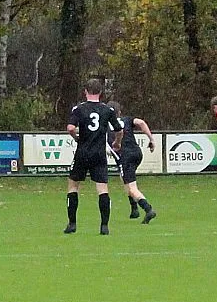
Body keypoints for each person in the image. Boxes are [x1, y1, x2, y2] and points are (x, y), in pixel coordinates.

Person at [63, 79, 123, 235]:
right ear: (101, 92)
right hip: (99, 154)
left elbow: (70, 128)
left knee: (73, 186)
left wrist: (76, 138)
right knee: (102, 188)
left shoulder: (79, 109)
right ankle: (104, 226)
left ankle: (72, 224)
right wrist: (117, 142)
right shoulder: (107, 110)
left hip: (82, 153)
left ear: (85, 91)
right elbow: (119, 129)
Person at [105, 101, 156, 224]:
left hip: (125, 157)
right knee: (124, 178)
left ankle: (148, 209)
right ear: (119, 112)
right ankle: (134, 210)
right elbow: (141, 122)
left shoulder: (105, 126)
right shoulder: (126, 120)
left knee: (132, 188)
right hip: (137, 154)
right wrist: (151, 139)